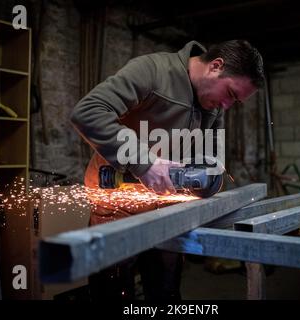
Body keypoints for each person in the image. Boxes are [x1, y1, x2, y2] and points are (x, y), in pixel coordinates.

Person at [71, 40, 264, 301]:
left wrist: (209, 178)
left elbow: (210, 158)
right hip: (118, 201)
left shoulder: (213, 107)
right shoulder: (152, 70)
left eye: (236, 101)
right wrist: (145, 163)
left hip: (168, 208)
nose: (227, 105)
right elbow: (88, 112)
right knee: (113, 291)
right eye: (230, 94)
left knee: (165, 292)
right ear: (216, 66)